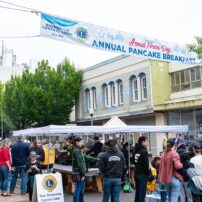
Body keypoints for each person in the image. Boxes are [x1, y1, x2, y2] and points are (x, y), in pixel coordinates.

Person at [72, 137, 97, 202]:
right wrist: (83, 174)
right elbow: (80, 164)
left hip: (79, 172)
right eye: (81, 142)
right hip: (79, 173)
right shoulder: (76, 151)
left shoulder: (78, 150)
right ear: (77, 142)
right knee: (78, 189)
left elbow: (85, 156)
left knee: (80, 190)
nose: (82, 143)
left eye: (82, 142)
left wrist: (95, 159)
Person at [159, 138, 183, 202]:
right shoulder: (174, 153)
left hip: (166, 179)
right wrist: (182, 164)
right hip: (173, 178)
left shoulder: (163, 154)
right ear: (174, 144)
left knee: (169, 198)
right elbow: (178, 166)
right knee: (174, 199)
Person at [133, 136, 149, 202]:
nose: (148, 142)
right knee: (142, 194)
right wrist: (148, 173)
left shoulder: (135, 150)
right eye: (146, 141)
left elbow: (133, 160)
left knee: (138, 193)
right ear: (142, 142)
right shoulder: (144, 151)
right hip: (142, 174)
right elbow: (146, 164)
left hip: (137, 173)